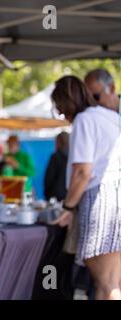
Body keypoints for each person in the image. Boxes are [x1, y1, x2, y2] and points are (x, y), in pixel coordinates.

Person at [52, 75, 121, 300]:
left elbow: (83, 173)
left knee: (106, 284)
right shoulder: (110, 117)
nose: (63, 116)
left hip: (102, 200)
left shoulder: (84, 120)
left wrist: (68, 208)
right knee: (112, 282)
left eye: (61, 110)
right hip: (115, 197)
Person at [44, 132, 69, 201]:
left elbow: (49, 177)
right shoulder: (74, 156)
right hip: (71, 194)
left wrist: (47, 194)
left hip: (56, 195)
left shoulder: (56, 156)